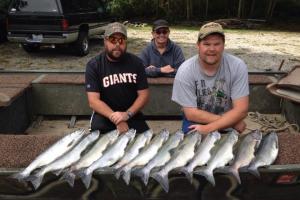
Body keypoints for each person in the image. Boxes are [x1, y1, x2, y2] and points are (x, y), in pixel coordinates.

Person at [172, 22, 249, 134]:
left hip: (229, 120)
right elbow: (191, 113)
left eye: (217, 44)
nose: (212, 49)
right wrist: (232, 122)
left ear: (224, 45)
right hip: (198, 121)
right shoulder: (185, 70)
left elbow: (241, 110)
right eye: (207, 44)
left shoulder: (237, 66)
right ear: (198, 45)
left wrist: (209, 128)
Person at [85, 22, 150, 134]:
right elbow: (93, 101)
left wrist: (127, 114)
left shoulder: (137, 63)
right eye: (113, 39)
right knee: (97, 145)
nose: (117, 44)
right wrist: (117, 119)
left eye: (121, 40)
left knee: (146, 141)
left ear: (126, 42)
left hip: (131, 113)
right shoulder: (94, 65)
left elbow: (144, 95)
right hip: (104, 115)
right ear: (105, 41)